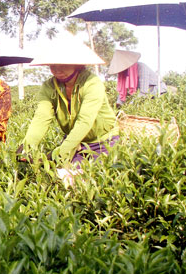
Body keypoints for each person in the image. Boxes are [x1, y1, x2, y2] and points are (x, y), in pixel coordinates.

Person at [21, 38, 119, 178]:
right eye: (53, 65)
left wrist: (63, 152)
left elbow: (85, 120)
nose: (57, 70)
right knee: (64, 177)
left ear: (77, 65)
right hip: (75, 140)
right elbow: (41, 118)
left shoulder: (92, 83)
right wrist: (27, 147)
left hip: (103, 141)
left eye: (63, 64)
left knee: (96, 178)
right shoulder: (49, 87)